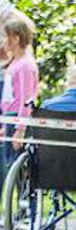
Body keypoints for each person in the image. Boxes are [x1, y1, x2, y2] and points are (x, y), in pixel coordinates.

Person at [2, 15, 38, 178]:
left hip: (17, 119)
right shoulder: (14, 63)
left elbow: (26, 98)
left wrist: (20, 129)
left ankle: (25, 203)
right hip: (9, 118)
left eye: (5, 36)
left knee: (16, 167)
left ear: (15, 38)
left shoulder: (25, 64)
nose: (2, 41)